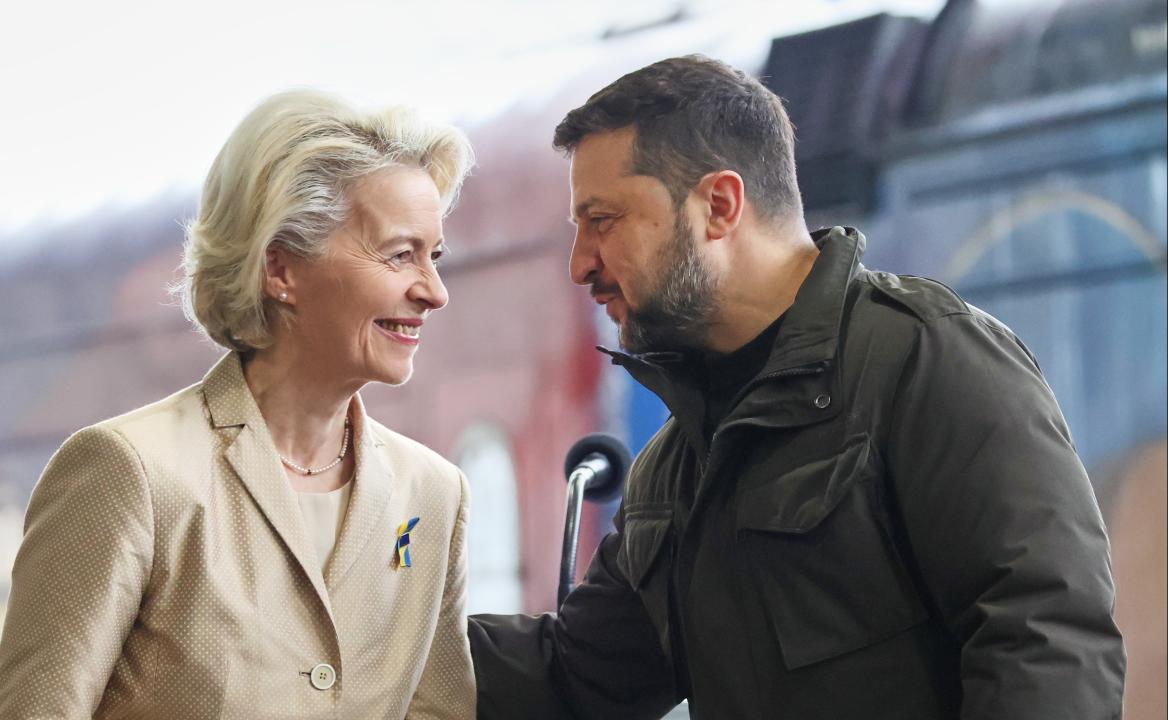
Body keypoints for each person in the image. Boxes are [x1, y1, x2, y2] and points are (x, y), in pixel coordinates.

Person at [468, 55, 1125, 720]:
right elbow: (581, 673)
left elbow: (1045, 641)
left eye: (602, 220)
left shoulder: (922, 359)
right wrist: (379, 638)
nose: (580, 264)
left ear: (718, 206)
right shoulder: (679, 463)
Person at [0, 89, 477, 719]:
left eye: (434, 257)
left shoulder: (434, 496)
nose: (433, 292)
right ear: (281, 270)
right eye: (400, 254)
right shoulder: (130, 472)